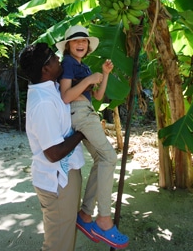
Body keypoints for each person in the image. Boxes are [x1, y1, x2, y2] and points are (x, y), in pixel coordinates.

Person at [56, 25, 129, 249]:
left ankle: (86, 215)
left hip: (87, 112)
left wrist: (104, 75)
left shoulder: (84, 66)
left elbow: (97, 96)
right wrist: (88, 81)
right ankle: (103, 220)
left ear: (88, 46)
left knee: (102, 159)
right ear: (68, 45)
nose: (81, 43)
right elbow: (66, 96)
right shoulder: (68, 63)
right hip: (79, 114)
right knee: (109, 157)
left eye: (85, 41)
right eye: (76, 41)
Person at [19, 42, 85, 251]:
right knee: (58, 244)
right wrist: (82, 132)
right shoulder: (43, 103)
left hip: (64, 177)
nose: (59, 59)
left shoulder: (52, 88)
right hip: (56, 181)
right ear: (45, 69)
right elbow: (53, 153)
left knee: (65, 236)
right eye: (54, 58)